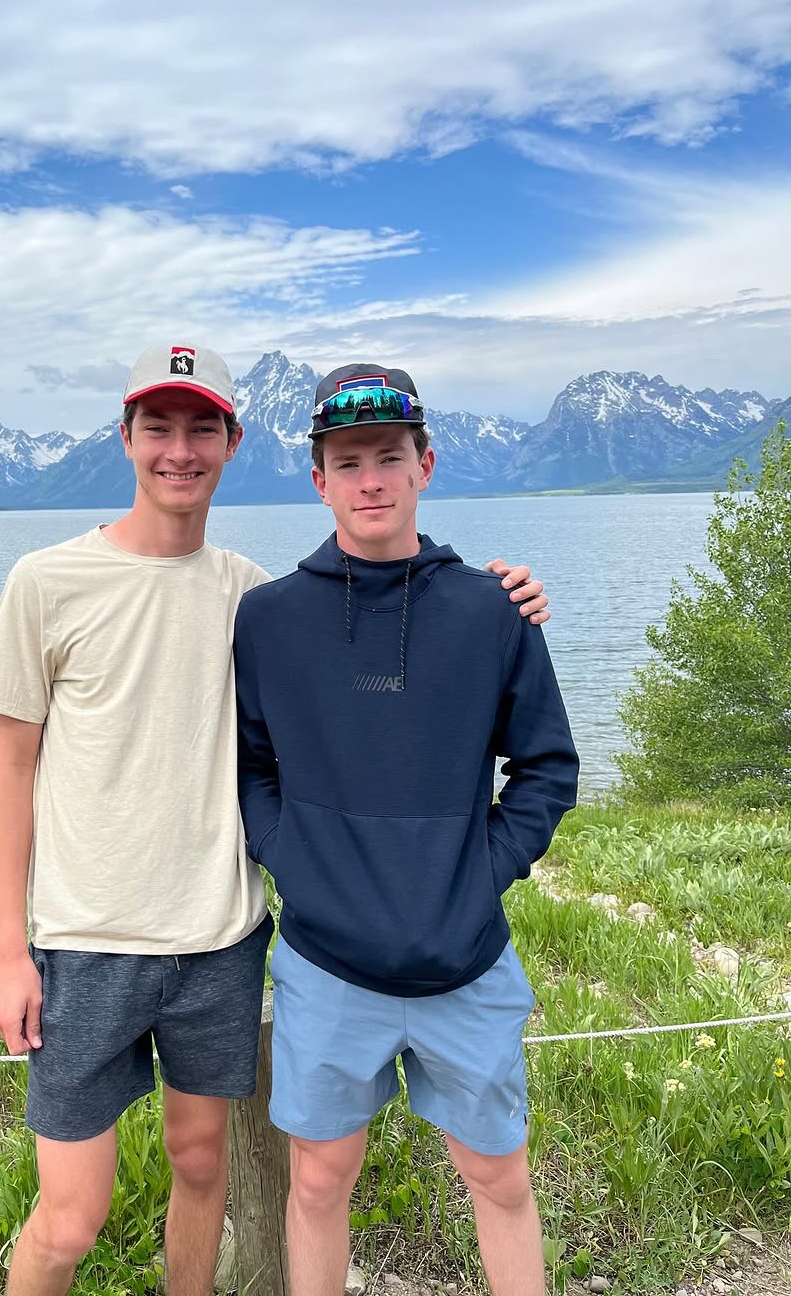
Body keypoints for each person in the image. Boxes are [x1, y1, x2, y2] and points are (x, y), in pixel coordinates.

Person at [0, 344, 554, 1296]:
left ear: (233, 442)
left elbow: (521, 751)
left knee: (207, 1167)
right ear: (125, 437)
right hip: (92, 940)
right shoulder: (78, 584)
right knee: (74, 1217)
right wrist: (10, 948)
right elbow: (19, 766)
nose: (179, 449)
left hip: (225, 940)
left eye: (201, 427)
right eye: (158, 427)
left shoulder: (253, 594)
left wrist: (505, 602)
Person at [234, 364, 579, 1296]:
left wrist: (480, 872)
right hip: (326, 964)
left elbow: (547, 768)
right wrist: (293, 860)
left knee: (499, 1178)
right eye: (348, 463)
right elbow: (252, 767)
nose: (371, 480)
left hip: (466, 960)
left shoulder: (493, 610)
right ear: (319, 480)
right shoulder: (268, 620)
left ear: (425, 465)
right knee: (317, 1183)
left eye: (390, 457)